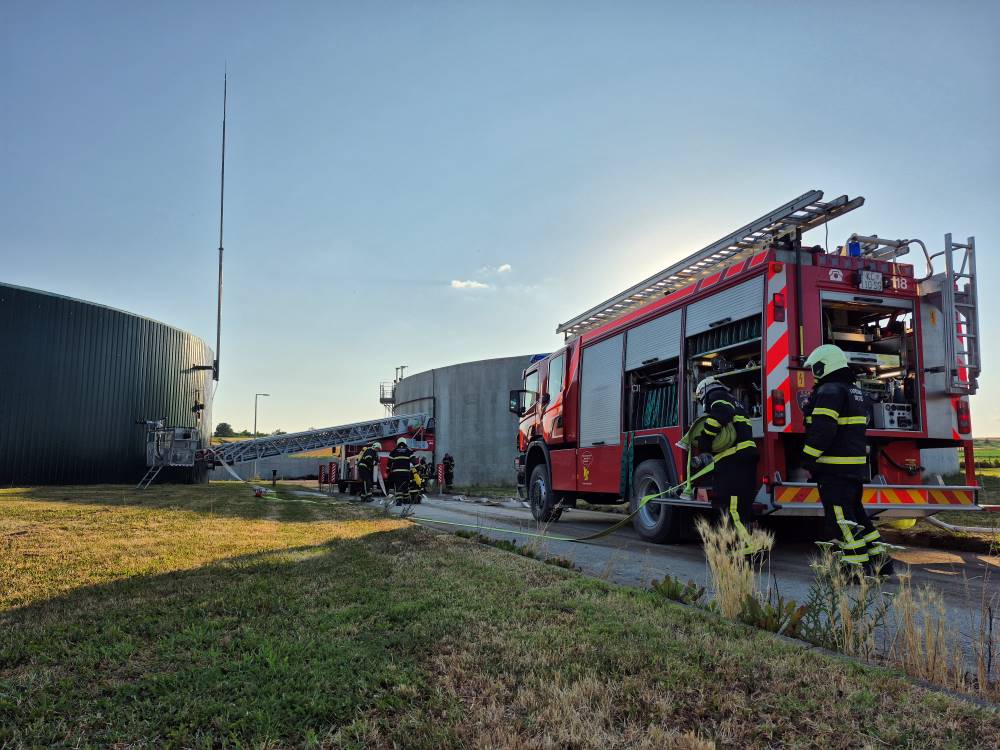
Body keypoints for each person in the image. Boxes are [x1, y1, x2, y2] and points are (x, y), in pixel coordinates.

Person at [802, 344, 893, 577]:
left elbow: (823, 431)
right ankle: (880, 561)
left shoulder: (829, 391)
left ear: (825, 366)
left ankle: (854, 567)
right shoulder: (855, 391)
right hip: (853, 467)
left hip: (834, 468)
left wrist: (807, 459)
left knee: (841, 518)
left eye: (816, 368)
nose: (814, 373)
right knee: (857, 516)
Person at [695, 376, 760, 555]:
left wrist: (706, 438)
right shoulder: (735, 401)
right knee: (742, 506)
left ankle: (747, 547)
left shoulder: (716, 395)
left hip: (733, 461)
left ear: (704, 391)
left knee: (732, 506)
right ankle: (744, 545)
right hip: (743, 459)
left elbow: (722, 413)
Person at [388, 437, 417, 504]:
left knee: (398, 486)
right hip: (406, 473)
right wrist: (418, 468)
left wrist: (388, 470)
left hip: (396, 473)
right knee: (405, 486)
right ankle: (406, 500)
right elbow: (414, 461)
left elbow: (389, 462)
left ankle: (399, 501)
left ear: (398, 442)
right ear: (405, 442)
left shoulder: (394, 451)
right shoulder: (408, 450)